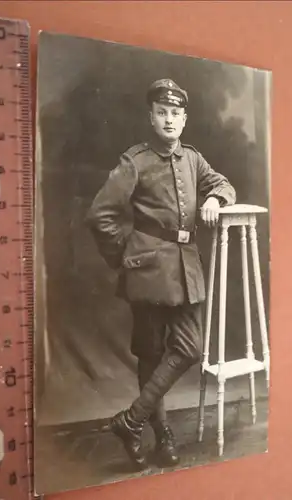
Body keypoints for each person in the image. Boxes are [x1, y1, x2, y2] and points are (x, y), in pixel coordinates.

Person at [86, 78, 236, 470]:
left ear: (184, 120)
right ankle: (162, 434)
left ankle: (130, 421)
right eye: (162, 113)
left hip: (185, 269)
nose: (169, 120)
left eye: (175, 113)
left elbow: (222, 182)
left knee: (188, 348)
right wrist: (127, 254)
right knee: (151, 354)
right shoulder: (134, 161)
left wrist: (216, 198)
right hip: (148, 273)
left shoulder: (192, 158)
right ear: (151, 118)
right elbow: (100, 216)